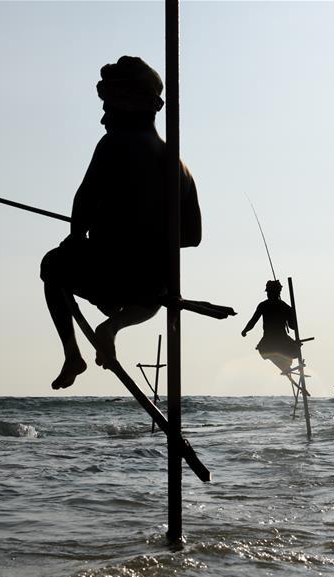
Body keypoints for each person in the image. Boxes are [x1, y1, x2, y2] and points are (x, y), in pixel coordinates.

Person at [40, 56, 201, 390]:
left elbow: (83, 199)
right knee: (156, 297)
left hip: (110, 270)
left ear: (128, 107)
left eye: (107, 108)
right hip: (150, 284)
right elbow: (193, 236)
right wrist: (152, 234)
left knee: (53, 265)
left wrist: (77, 235)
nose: (103, 119)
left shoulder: (115, 144)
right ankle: (113, 327)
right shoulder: (181, 167)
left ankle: (72, 354)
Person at [241, 280, 302, 373]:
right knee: (281, 352)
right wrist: (245, 330)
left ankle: (285, 365)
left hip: (273, 341)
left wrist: (291, 313)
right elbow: (293, 326)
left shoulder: (267, 305)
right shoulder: (282, 306)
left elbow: (292, 326)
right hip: (275, 340)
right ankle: (285, 366)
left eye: (269, 292)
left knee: (275, 352)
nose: (268, 294)